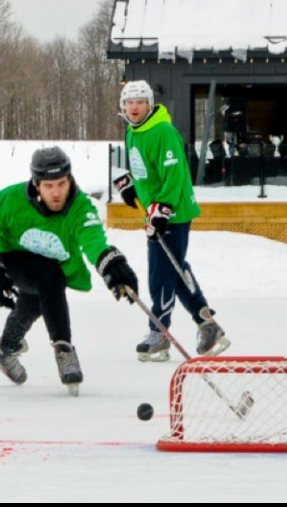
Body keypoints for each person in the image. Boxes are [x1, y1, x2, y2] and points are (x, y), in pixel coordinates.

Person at [0, 146, 139, 393]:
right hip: (12, 256)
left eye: (61, 183)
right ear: (36, 185)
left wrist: (110, 263)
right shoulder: (10, 201)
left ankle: (5, 346)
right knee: (50, 279)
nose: (56, 193)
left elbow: (93, 239)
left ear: (69, 180)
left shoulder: (80, 207)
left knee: (41, 294)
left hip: (50, 264)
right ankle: (64, 350)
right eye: (48, 186)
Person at [114, 80, 230, 362]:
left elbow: (175, 174)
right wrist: (132, 184)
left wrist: (162, 208)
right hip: (154, 211)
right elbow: (144, 168)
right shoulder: (133, 131)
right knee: (175, 270)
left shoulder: (163, 131)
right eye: (129, 102)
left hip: (172, 214)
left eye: (140, 102)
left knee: (161, 273)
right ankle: (207, 324)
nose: (134, 107)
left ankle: (159, 332)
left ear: (149, 103)